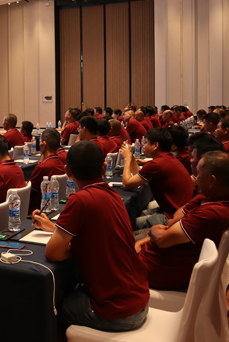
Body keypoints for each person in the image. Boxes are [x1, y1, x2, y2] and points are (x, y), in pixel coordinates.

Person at [32, 141, 149, 331]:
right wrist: (55, 228)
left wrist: (74, 245)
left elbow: (53, 253)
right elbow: (97, 234)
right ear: (104, 167)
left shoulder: (79, 200)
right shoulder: (114, 195)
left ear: (67, 171)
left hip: (118, 312)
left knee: (50, 309)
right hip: (139, 298)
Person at [136, 151, 229, 290]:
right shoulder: (215, 202)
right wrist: (143, 241)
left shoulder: (211, 213)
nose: (195, 177)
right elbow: (170, 229)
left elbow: (161, 239)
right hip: (161, 260)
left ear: (212, 180)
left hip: (158, 271)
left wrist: (154, 229)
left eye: (199, 173)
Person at [121, 128, 194, 228]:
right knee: (134, 214)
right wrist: (131, 156)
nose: (143, 146)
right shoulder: (167, 158)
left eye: (146, 143)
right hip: (176, 210)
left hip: (173, 217)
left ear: (155, 146)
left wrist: (127, 159)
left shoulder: (157, 164)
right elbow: (140, 176)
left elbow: (126, 184)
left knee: (126, 224)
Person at [28, 129, 65, 212]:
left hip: (37, 209)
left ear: (44, 144)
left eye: (40, 142)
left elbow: (29, 189)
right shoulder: (59, 162)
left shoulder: (42, 167)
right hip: (55, 206)